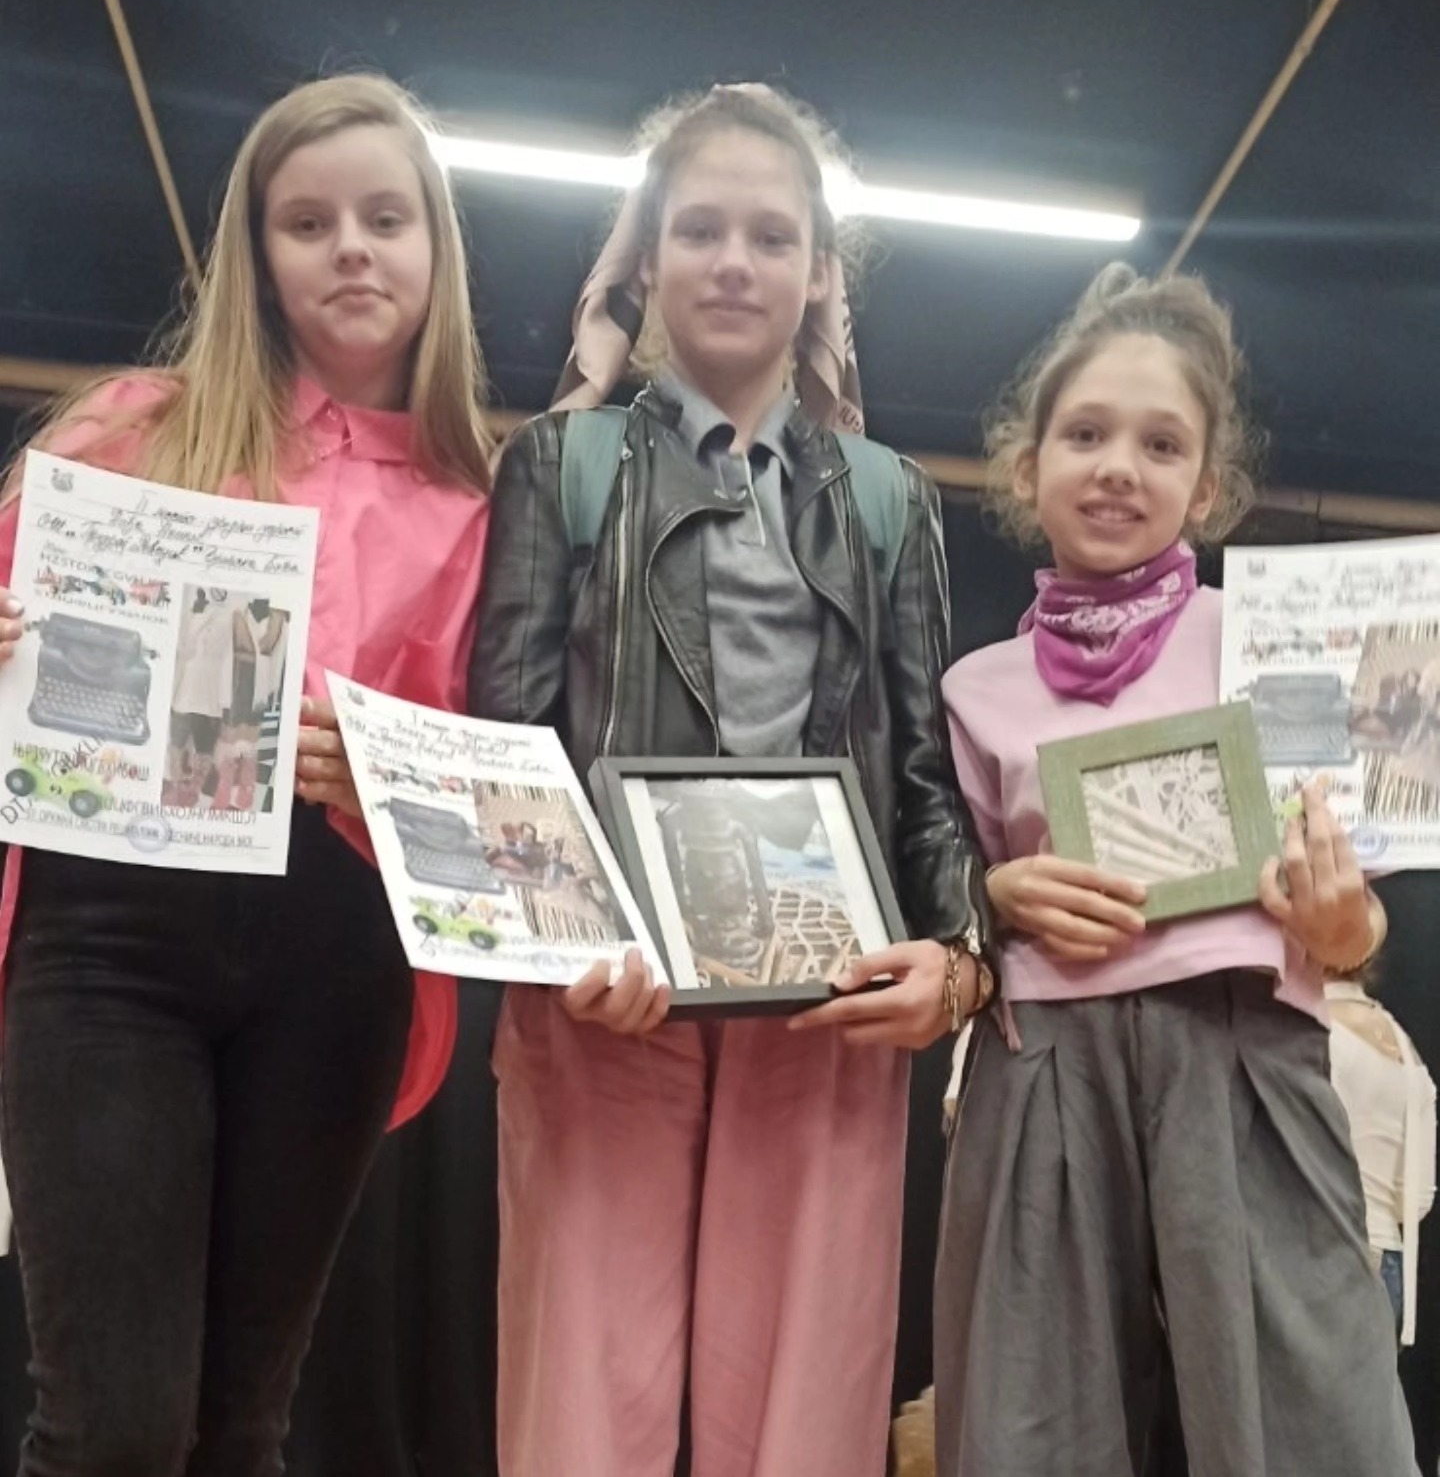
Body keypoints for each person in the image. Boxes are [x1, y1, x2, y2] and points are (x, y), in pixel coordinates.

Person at [468, 83, 995, 1477]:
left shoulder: (889, 496)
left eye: (772, 235)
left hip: (827, 1008)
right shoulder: (562, 463)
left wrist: (957, 960)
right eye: (699, 228)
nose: (733, 261)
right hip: (604, 1008)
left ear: (820, 273)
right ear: (645, 256)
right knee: (584, 1416)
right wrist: (567, 946)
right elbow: (505, 753)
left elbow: (925, 773)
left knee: (805, 1422)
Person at [0, 72, 494, 1477]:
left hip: (334, 957)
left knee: (242, 1428)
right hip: (109, 940)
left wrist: (383, 771)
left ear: (436, 247)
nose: (351, 248)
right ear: (257, 253)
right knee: (111, 1428)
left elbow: (499, 791)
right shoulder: (127, 428)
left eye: (386, 217)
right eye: (308, 221)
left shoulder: (482, 505)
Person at [935, 263, 1417, 1476]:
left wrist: (1343, 925)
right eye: (1085, 433)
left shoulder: (1270, 647)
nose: (1118, 466)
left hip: (1243, 1055)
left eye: (1161, 444)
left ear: (1206, 488)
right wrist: (993, 900)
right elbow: (955, 899)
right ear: (1026, 466)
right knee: (1034, 1424)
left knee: (1307, 1422)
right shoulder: (974, 687)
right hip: (1046, 1069)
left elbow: (1354, 912)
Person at [1326, 971, 1437, 1345]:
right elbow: (1417, 1201)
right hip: (1387, 1266)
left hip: (1318, 1262)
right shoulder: (1405, 1050)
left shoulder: (1307, 1034)